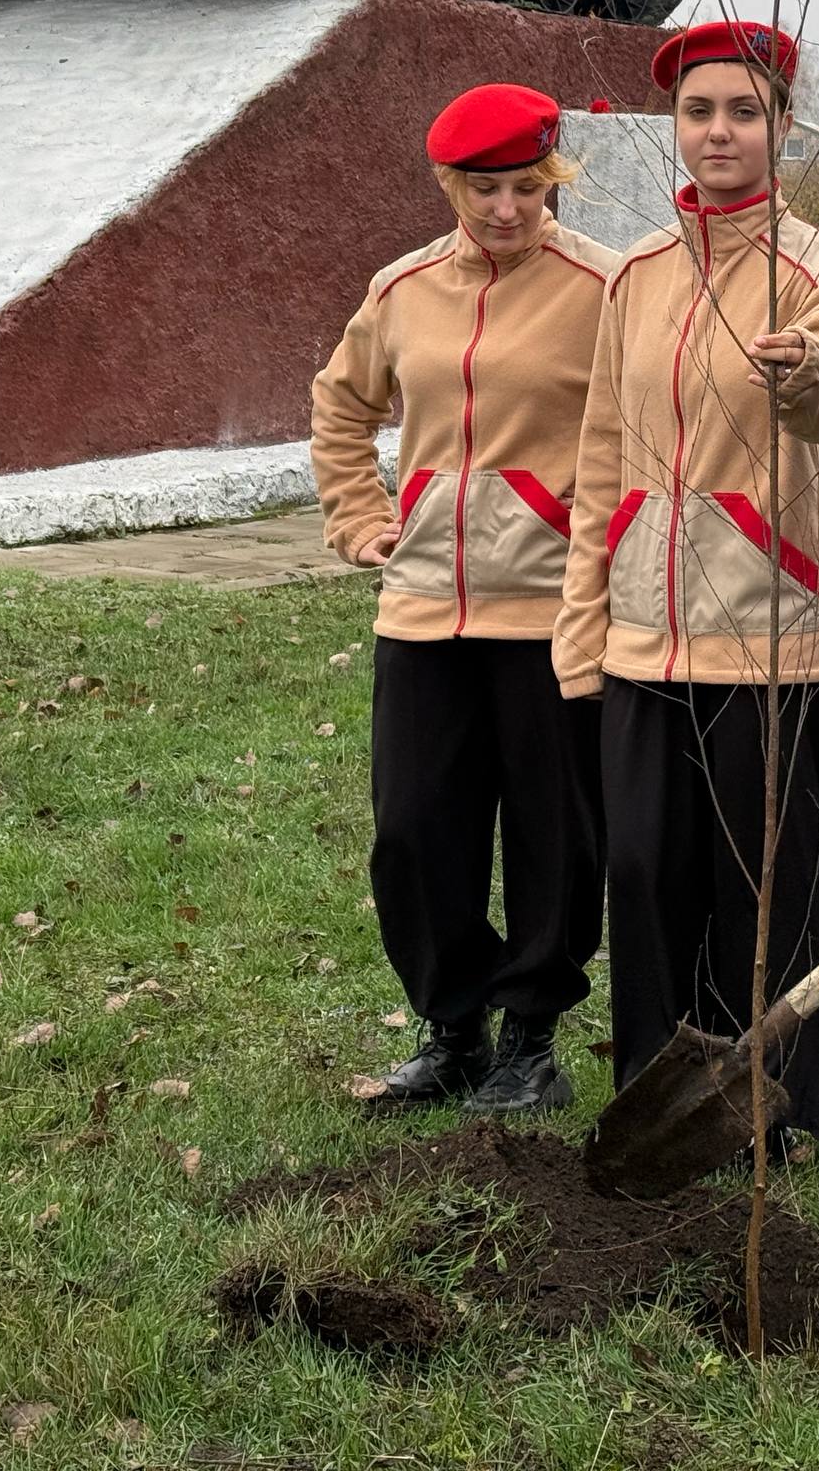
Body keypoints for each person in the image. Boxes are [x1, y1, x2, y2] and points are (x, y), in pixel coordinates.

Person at [555, 21, 819, 1149]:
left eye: (745, 111)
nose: (720, 132)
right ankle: (664, 1101)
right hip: (646, 632)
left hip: (772, 629)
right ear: (675, 127)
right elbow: (603, 454)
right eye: (699, 112)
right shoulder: (635, 277)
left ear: (782, 126)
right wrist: (581, 627)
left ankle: (789, 1106)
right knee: (645, 870)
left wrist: (808, 379)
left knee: (774, 882)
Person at [310, 83, 618, 1115]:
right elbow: (339, 405)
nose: (507, 209)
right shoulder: (401, 291)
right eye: (484, 189)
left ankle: (530, 1039)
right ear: (448, 185)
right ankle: (453, 1030)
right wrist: (360, 516)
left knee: (554, 834)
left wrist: (593, 544)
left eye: (528, 187)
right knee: (413, 831)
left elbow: (643, 432)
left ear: (552, 180)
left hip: (550, 608)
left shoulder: (603, 288)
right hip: (422, 608)